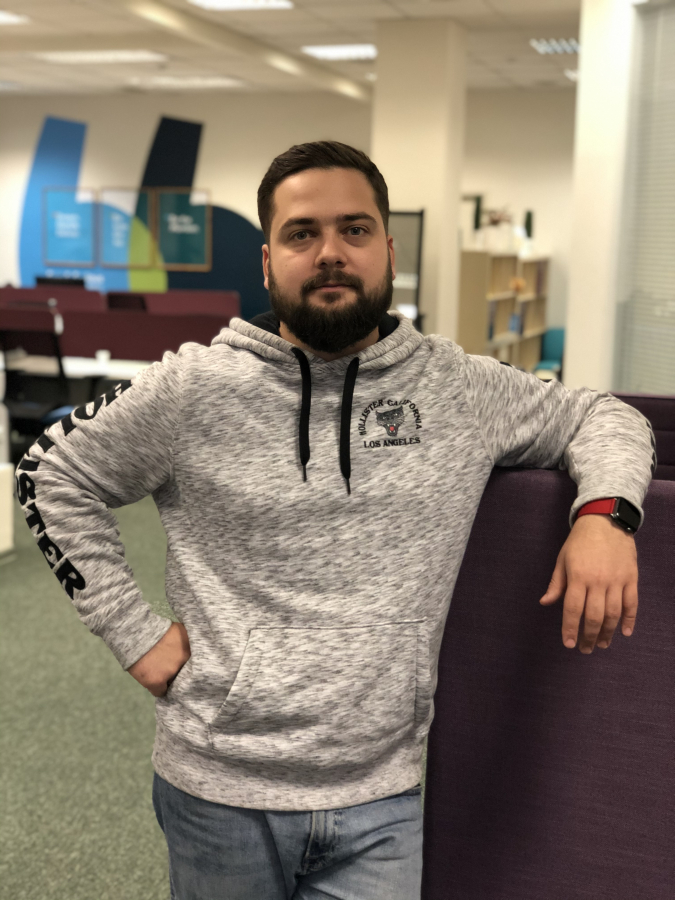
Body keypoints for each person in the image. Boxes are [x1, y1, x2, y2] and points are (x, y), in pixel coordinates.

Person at [16, 141, 655, 900]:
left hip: (383, 795)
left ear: (388, 250)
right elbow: (49, 470)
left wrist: (605, 517)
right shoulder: (194, 388)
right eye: (301, 234)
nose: (330, 253)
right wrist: (134, 635)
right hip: (216, 788)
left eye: (354, 230)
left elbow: (604, 415)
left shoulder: (457, 388)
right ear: (266, 262)